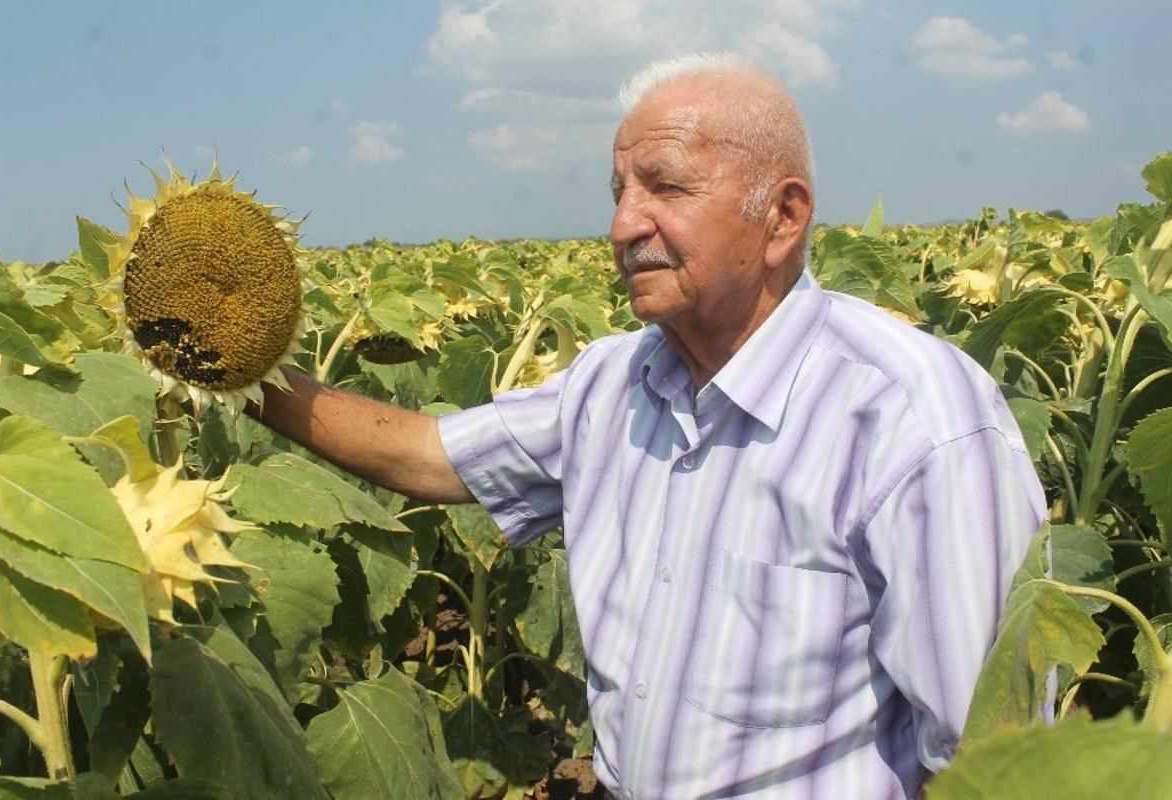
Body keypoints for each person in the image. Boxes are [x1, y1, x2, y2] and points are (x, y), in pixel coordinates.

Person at [253, 53, 1045, 800]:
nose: (624, 225)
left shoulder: (915, 420)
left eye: (665, 187)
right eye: (619, 191)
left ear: (782, 217)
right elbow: (427, 455)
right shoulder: (611, 385)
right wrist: (239, 361)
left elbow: (992, 760)